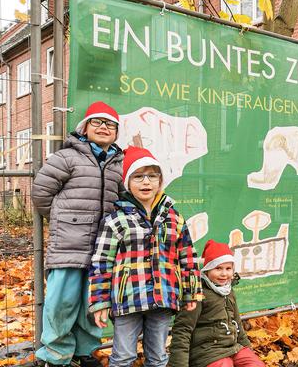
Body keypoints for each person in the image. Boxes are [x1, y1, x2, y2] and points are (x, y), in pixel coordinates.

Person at [89, 146, 203, 367]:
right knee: (123, 356)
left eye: (152, 176)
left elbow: (188, 256)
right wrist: (100, 301)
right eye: (138, 176)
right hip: (128, 299)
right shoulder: (115, 220)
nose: (146, 182)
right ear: (127, 182)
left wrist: (190, 293)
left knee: (158, 357)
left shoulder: (173, 217)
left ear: (160, 181)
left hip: (164, 297)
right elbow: (101, 263)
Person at [32, 101, 124, 367]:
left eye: (110, 124)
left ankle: (84, 351)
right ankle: (56, 355)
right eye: (97, 122)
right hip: (68, 245)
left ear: (117, 132)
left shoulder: (119, 163)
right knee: (62, 302)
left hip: (102, 250)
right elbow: (41, 192)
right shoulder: (67, 157)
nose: (104, 128)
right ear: (84, 127)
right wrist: (65, 220)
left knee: (92, 303)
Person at [169, 240, 265, 367]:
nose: (224, 274)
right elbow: (183, 329)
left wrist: (247, 348)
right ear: (207, 270)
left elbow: (237, 323)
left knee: (255, 364)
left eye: (228, 269)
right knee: (224, 365)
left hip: (233, 347)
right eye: (218, 268)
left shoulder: (229, 291)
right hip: (207, 352)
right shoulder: (197, 294)